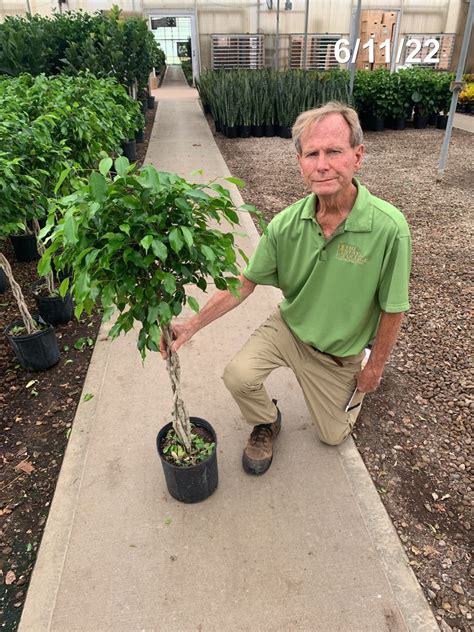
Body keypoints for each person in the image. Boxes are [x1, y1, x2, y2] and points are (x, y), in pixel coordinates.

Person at [160, 101, 412, 476]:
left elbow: (394, 308)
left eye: (334, 152)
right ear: (300, 163)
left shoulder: (390, 228)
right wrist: (191, 325)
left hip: (339, 354)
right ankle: (267, 420)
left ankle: (351, 391)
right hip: (290, 330)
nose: (322, 164)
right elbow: (244, 284)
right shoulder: (284, 225)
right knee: (238, 376)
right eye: (312, 154)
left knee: (332, 435)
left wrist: (374, 367)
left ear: (358, 156)